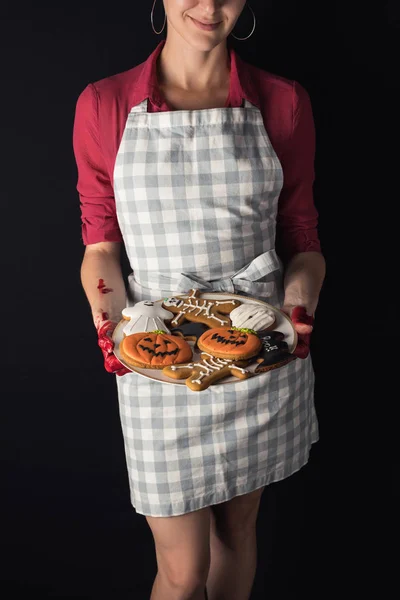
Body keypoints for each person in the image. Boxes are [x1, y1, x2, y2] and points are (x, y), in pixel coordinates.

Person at [72, 1, 326, 598]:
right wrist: (109, 328)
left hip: (258, 352)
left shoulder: (282, 102)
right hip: (154, 349)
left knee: (236, 537)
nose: (209, 6)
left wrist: (297, 311)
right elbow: (100, 247)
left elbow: (304, 240)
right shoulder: (105, 105)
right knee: (183, 573)